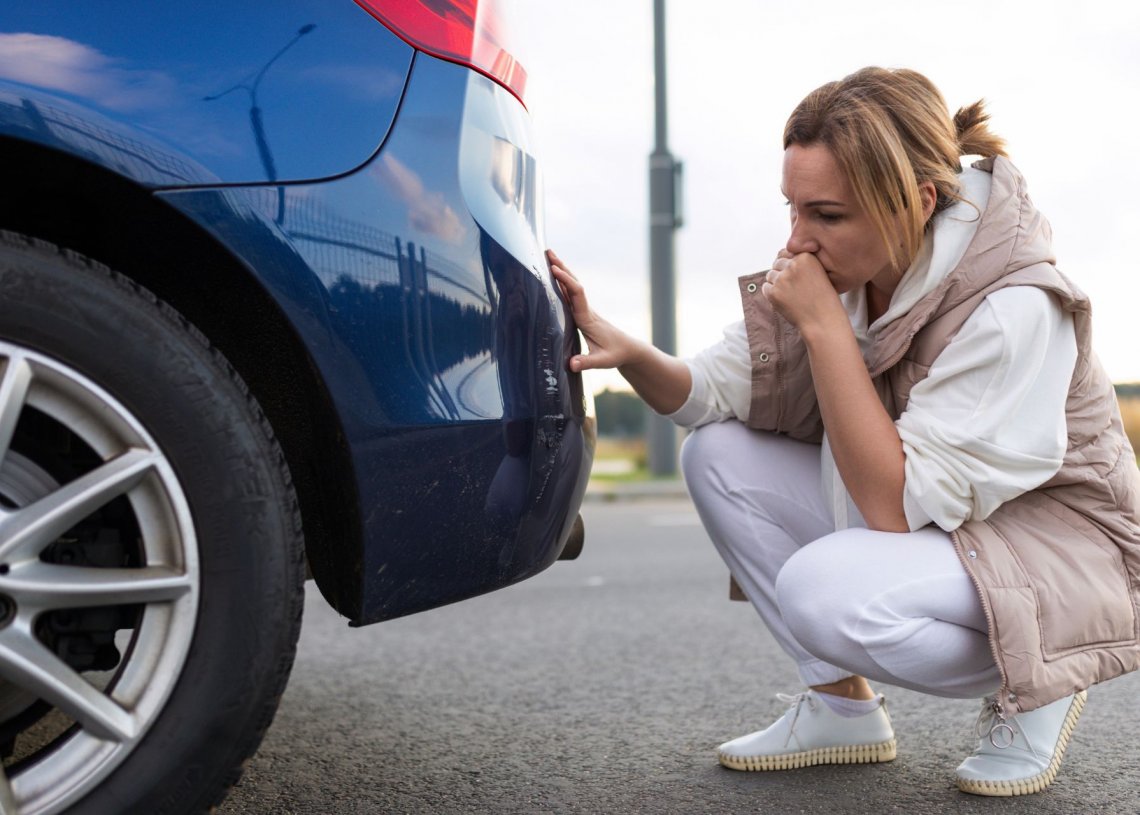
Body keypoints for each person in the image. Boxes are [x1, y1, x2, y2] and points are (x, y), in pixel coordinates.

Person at [547, 66, 1140, 797]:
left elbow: (890, 507)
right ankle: (842, 710)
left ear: (917, 203)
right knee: (717, 454)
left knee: (820, 591)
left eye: (826, 215)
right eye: (792, 209)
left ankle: (1042, 676)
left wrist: (825, 328)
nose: (797, 241)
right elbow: (708, 392)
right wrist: (630, 351)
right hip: (952, 531)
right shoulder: (854, 271)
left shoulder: (1012, 309)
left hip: (1057, 565)